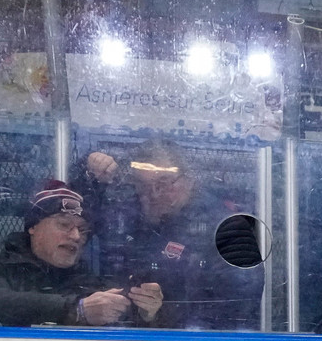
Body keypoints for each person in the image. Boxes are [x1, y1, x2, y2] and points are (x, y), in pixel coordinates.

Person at [78, 138, 263, 330]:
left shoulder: (226, 227)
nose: (154, 194)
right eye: (143, 185)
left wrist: (163, 314)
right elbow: (73, 219)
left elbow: (239, 308)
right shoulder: (131, 214)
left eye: (164, 183)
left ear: (189, 180)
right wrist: (86, 171)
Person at [0, 180, 161, 327]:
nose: (75, 236)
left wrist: (145, 312)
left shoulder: (92, 283)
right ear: (33, 226)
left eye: (82, 230)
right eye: (64, 224)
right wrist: (76, 311)